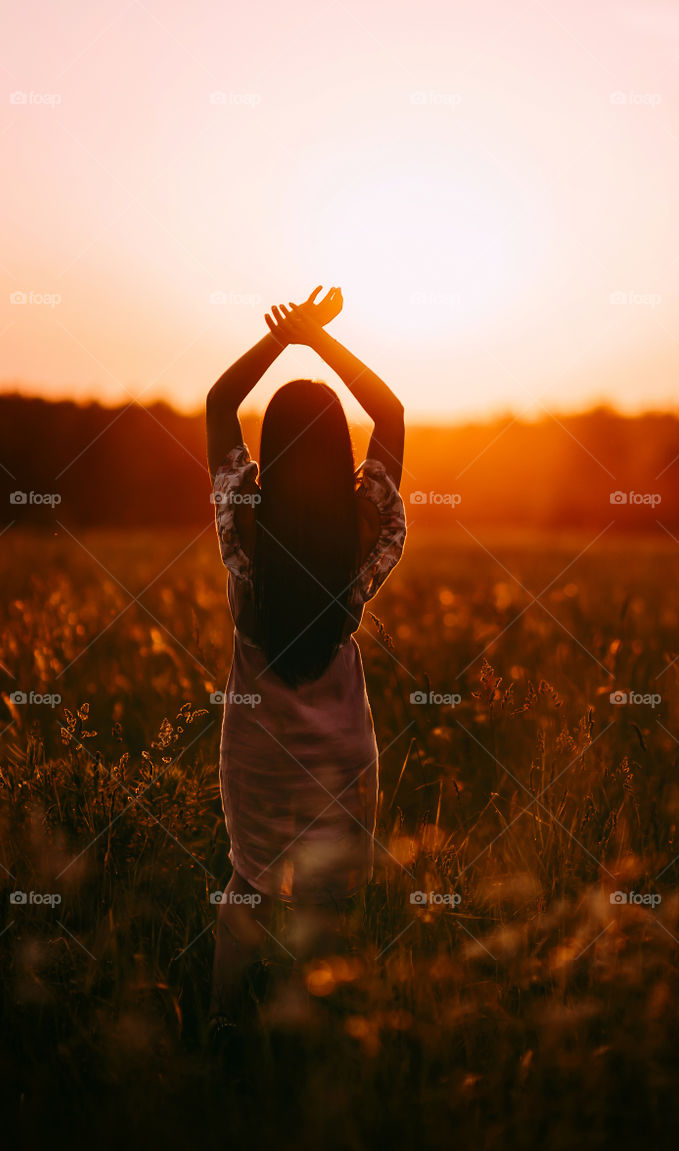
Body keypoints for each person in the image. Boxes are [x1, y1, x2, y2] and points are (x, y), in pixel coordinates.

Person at [205, 287, 406, 1057]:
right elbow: (389, 413)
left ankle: (225, 1026)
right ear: (338, 451)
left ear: (273, 447)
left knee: (248, 883)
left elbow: (222, 401)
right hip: (341, 749)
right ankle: (323, 1041)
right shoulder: (361, 529)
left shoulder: (246, 526)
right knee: (330, 905)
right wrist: (320, 343)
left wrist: (283, 341)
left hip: (255, 747)